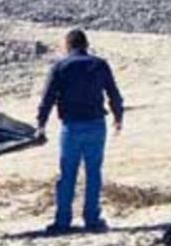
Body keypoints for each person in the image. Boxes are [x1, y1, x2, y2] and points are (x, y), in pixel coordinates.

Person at [35, 29, 124, 234]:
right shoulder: (100, 64)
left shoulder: (60, 67)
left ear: (68, 45)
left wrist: (41, 124)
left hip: (71, 126)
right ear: (86, 44)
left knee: (68, 174)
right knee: (94, 173)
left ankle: (63, 220)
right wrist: (118, 116)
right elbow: (113, 93)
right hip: (96, 124)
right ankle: (92, 219)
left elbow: (47, 98)